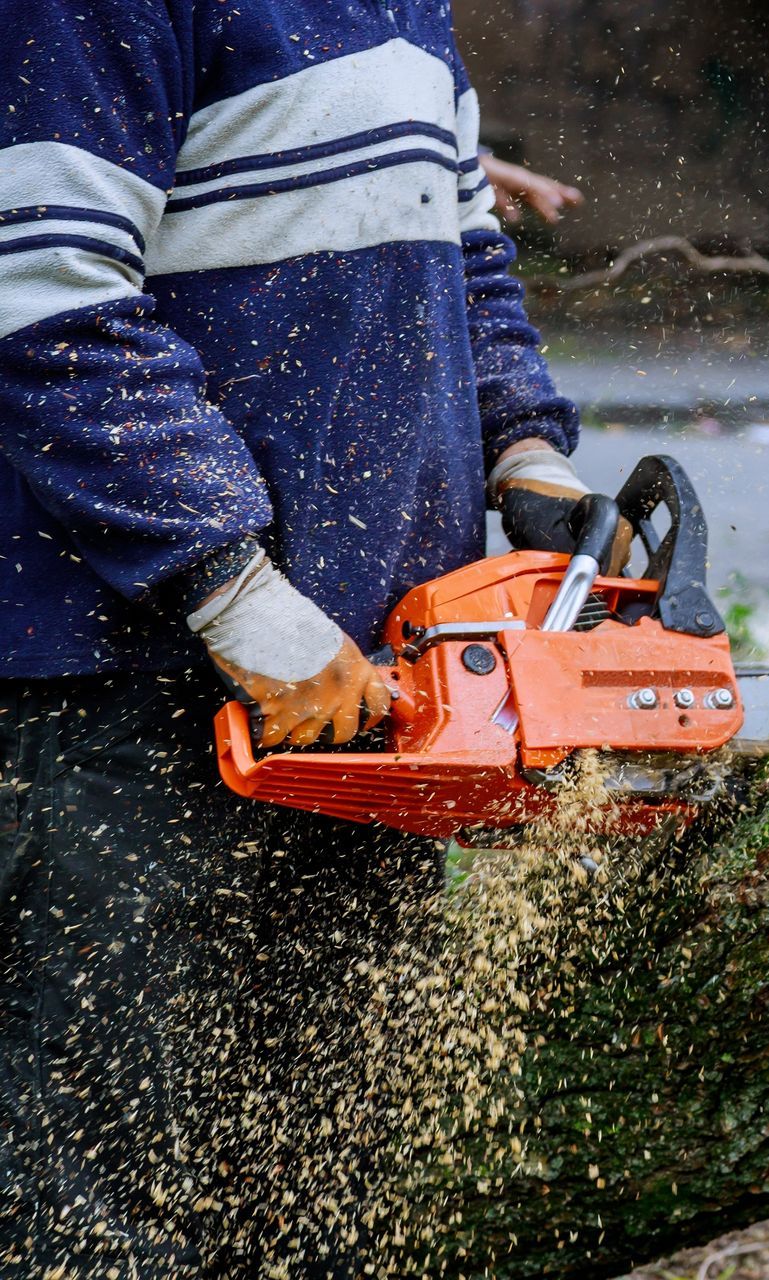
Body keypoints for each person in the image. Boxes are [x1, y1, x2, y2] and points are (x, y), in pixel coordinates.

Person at [0, 4, 618, 1274]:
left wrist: (524, 440)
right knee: (102, 1185)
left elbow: (460, 244)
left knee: (320, 1168)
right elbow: (40, 295)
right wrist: (232, 586)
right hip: (126, 690)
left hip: (372, 693)